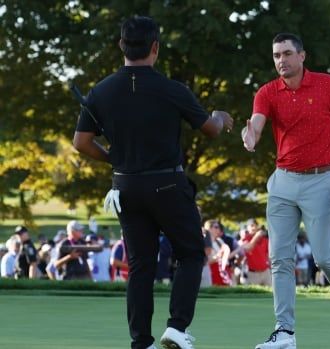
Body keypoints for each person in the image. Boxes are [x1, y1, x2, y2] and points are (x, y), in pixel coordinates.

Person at [71, 16, 233, 349]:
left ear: (121, 46)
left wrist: (113, 159)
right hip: (168, 186)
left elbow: (81, 142)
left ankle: (140, 342)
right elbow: (211, 129)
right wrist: (220, 116)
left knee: (140, 266)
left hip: (126, 187)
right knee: (190, 254)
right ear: (155, 47)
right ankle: (176, 326)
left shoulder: (101, 91)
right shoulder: (172, 89)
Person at [241, 33, 330, 348]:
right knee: (280, 259)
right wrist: (250, 135)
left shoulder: (328, 85)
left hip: (321, 179)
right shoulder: (267, 92)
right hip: (283, 181)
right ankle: (284, 331)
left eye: (287, 53)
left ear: (302, 56)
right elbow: (257, 125)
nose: (281, 61)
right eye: (276, 55)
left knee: (324, 256)